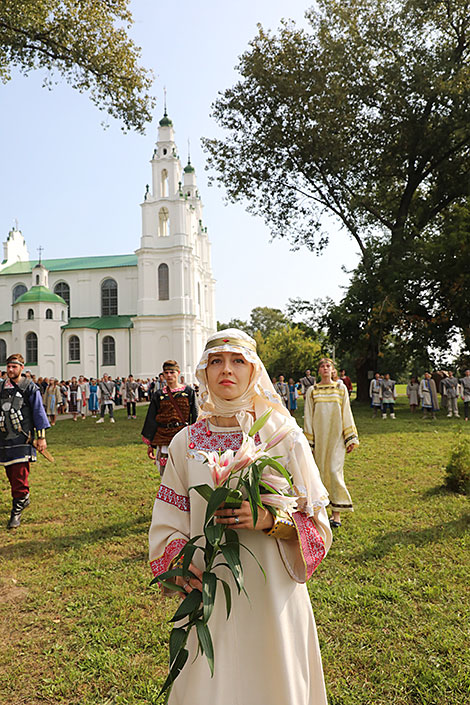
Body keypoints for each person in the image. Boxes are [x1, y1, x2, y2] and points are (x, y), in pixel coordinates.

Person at [148, 330, 332, 705]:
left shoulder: (282, 434)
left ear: (254, 371)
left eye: (237, 361)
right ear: (203, 371)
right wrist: (179, 567)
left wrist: (269, 520)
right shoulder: (186, 441)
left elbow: (317, 522)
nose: (226, 370)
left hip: (271, 592)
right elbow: (169, 519)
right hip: (209, 591)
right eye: (216, 361)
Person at [304, 357, 359, 528]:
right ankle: (320, 513)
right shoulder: (312, 391)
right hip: (319, 438)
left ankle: (336, 514)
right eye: (322, 366)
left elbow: (346, 412)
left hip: (337, 438)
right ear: (319, 371)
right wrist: (309, 442)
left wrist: (350, 437)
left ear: (333, 369)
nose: (325, 368)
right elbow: (308, 417)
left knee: (335, 472)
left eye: (328, 366)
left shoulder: (340, 388)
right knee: (318, 474)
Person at [0, 353, 50, 529]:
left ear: (22, 367)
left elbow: (38, 412)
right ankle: (23, 497)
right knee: (10, 472)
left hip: (23, 439)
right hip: (4, 439)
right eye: (8, 367)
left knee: (19, 474)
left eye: (14, 366)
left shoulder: (30, 387)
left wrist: (41, 437)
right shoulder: (1, 387)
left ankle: (17, 509)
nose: (10, 370)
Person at [142, 360, 198, 474]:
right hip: (163, 436)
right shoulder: (159, 394)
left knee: (184, 471)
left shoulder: (188, 392)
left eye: (172, 372)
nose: (169, 375)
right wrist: (150, 443)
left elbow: (195, 415)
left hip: (183, 435)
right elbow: (151, 418)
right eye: (166, 372)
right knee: (165, 472)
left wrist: (195, 437)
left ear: (178, 373)